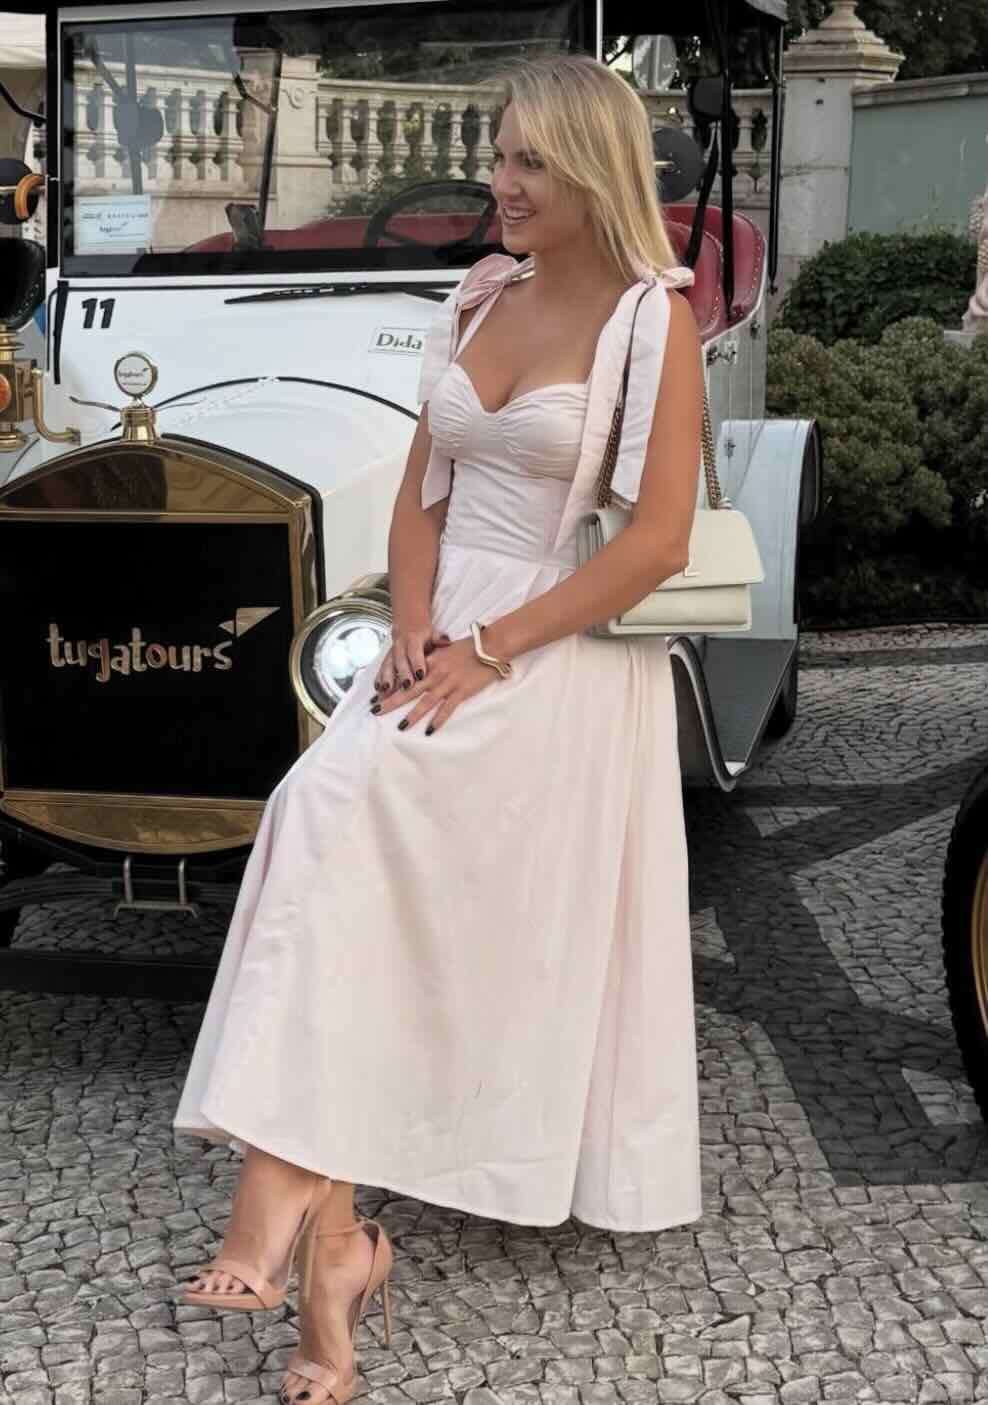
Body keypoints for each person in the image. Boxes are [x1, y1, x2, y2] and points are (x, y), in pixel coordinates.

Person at [172, 51, 705, 1405]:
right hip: (440, 630)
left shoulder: (652, 320)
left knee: (349, 842)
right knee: (326, 828)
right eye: (498, 154)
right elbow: (425, 489)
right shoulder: (478, 293)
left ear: (591, 169)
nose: (499, 182)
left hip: (554, 645)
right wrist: (412, 623)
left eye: (528, 161)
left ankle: (290, 1207)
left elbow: (655, 542)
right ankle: (333, 1254)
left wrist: (489, 649)